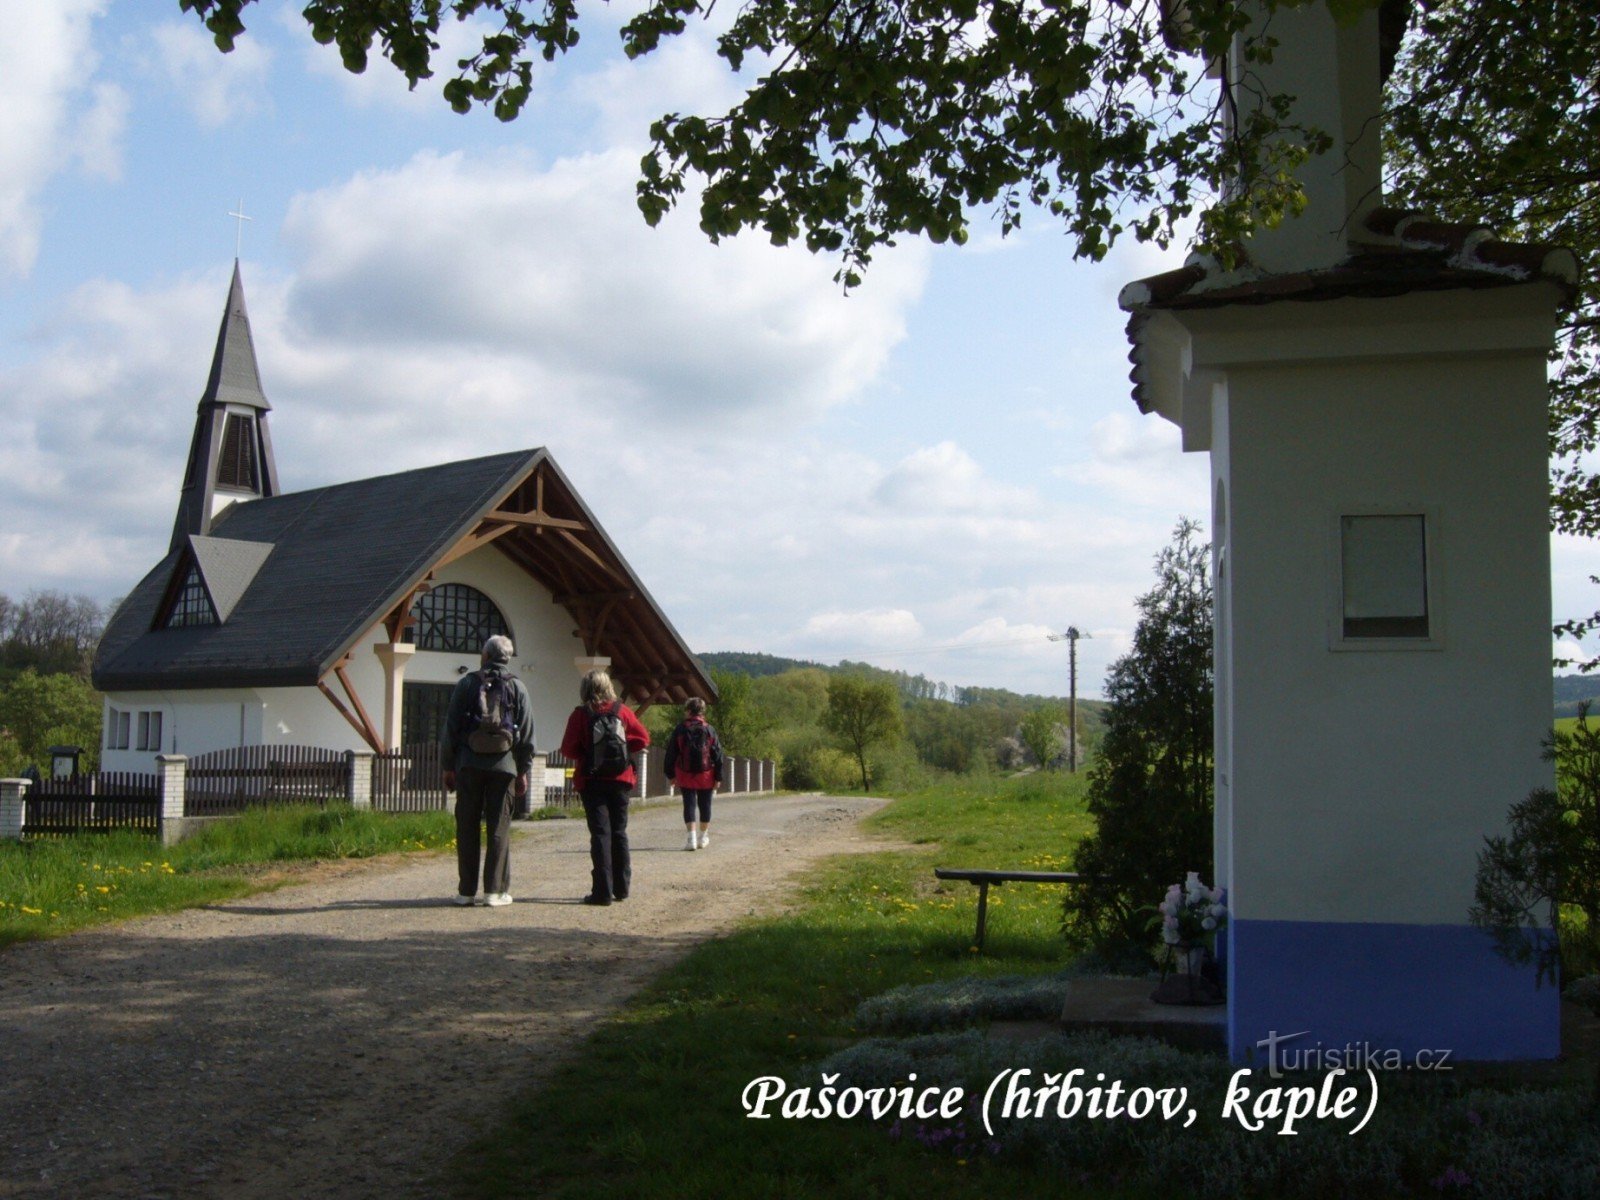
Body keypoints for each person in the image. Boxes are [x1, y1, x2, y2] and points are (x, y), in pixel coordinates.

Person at [441, 635, 535, 907]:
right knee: (499, 828)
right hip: (504, 767)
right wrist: (523, 770)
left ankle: (466, 891)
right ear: (508, 658)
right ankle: (494, 892)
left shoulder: (467, 684)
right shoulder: (517, 687)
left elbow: (451, 729)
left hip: (469, 766)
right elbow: (527, 734)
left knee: (467, 826)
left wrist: (448, 766)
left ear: (485, 656)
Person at [559, 668, 650, 906]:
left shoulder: (580, 715)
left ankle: (602, 892)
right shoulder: (623, 712)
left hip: (592, 781)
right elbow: (643, 739)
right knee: (619, 832)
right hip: (621, 780)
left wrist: (588, 755)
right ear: (608, 686)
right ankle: (622, 888)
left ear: (585, 689)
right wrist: (622, 749)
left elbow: (567, 749)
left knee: (600, 834)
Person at [664, 697, 722, 850]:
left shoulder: (681, 729)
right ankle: (703, 838)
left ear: (688, 711)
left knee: (689, 804)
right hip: (706, 774)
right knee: (705, 805)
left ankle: (691, 840)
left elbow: (671, 753)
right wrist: (718, 776)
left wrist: (670, 774)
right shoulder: (709, 729)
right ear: (702, 711)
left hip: (685, 774)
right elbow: (718, 755)